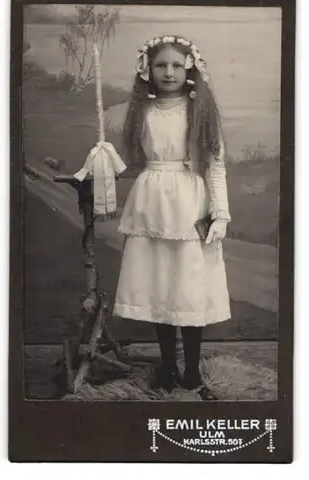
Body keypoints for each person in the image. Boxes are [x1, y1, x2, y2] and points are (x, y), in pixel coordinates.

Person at [112, 35, 231, 399]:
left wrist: (220, 212)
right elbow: (129, 160)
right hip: (151, 200)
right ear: (148, 70)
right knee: (159, 287)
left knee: (188, 287)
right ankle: (168, 367)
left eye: (176, 65)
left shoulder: (200, 111)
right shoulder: (142, 112)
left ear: (189, 68)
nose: (168, 72)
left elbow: (215, 166)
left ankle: (192, 370)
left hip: (189, 200)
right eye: (161, 65)